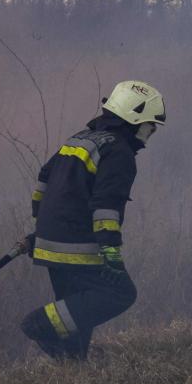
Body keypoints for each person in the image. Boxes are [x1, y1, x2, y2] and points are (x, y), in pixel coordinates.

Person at [19, 81, 165, 361]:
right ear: (134, 118)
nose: (152, 132)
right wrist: (111, 253)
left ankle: (72, 362)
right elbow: (106, 207)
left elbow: (44, 180)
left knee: (76, 307)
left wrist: (43, 225)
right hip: (78, 246)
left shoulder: (81, 139)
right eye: (151, 125)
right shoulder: (119, 153)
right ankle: (39, 324)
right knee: (120, 293)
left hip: (51, 242)